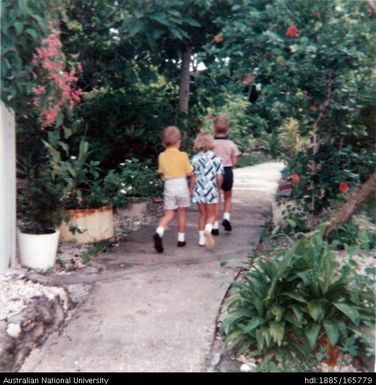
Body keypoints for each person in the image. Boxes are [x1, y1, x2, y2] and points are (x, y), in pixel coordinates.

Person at [153, 126, 193, 253]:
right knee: (181, 212)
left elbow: (161, 171)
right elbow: (189, 172)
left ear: (164, 142)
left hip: (169, 185)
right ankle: (181, 239)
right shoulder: (183, 155)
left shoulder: (161, 156)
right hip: (181, 184)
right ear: (178, 142)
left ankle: (159, 231)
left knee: (169, 213)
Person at [190, 133, 223, 249]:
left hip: (199, 190)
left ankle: (201, 239)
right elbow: (219, 177)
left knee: (202, 214)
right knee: (212, 215)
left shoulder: (194, 159)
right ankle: (208, 230)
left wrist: (191, 190)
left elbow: (193, 176)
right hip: (211, 189)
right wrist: (219, 188)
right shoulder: (216, 159)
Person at [212, 116, 240, 235]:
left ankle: (215, 226)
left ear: (214, 129)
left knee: (216, 198)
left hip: (214, 173)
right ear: (227, 129)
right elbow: (234, 162)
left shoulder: (211, 144)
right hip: (227, 171)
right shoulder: (231, 144)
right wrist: (230, 164)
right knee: (227, 196)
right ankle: (226, 218)